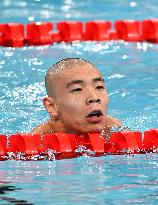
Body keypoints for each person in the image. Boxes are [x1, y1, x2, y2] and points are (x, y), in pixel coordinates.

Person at [31, 58, 122, 140]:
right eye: (77, 89)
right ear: (52, 106)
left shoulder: (112, 128)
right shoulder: (39, 138)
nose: (94, 97)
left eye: (99, 87)